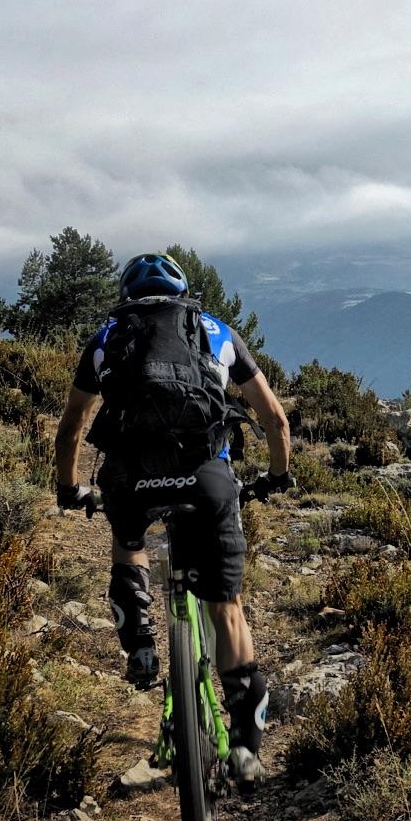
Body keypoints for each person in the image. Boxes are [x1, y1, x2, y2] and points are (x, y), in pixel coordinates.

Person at [53, 252, 292, 789]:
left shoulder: (106, 336)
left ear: (128, 296)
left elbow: (72, 427)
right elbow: (274, 418)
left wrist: (70, 490)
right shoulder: (215, 331)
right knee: (226, 606)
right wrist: (278, 477)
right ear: (183, 293)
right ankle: (248, 753)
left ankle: (139, 644)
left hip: (131, 478)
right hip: (207, 479)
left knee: (128, 537)